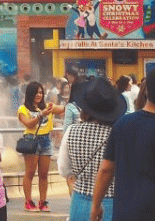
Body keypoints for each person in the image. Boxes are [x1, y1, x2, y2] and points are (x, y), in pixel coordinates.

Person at [90, 64, 155, 221]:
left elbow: (106, 169)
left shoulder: (121, 124)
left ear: (147, 90)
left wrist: (96, 205)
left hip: (122, 215)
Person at [57, 78, 124, 221]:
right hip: (113, 202)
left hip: (80, 201)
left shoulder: (72, 131)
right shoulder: (120, 134)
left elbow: (63, 169)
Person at [16, 81, 55, 212]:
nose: (39, 95)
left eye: (40, 92)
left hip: (46, 141)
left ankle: (43, 202)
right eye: (36, 92)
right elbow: (28, 124)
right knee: (30, 173)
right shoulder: (23, 109)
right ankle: (28, 201)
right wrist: (41, 115)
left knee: (44, 174)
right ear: (29, 94)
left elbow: (62, 108)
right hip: (32, 141)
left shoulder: (46, 107)